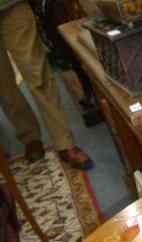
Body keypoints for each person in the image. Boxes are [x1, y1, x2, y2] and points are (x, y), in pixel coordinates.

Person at [0, 0, 92, 169]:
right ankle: (29, 136)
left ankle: (64, 142)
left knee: (37, 74)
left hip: (11, 6)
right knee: (3, 87)